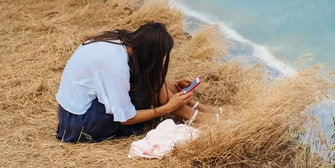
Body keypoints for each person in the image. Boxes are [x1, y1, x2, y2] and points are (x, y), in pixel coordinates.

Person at [55, 22, 221, 142]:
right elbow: (125, 118)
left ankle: (194, 108)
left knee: (151, 78)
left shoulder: (121, 41)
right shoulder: (114, 65)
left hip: (78, 106)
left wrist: (172, 82)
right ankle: (192, 114)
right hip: (79, 122)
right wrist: (165, 109)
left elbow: (139, 72)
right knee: (148, 86)